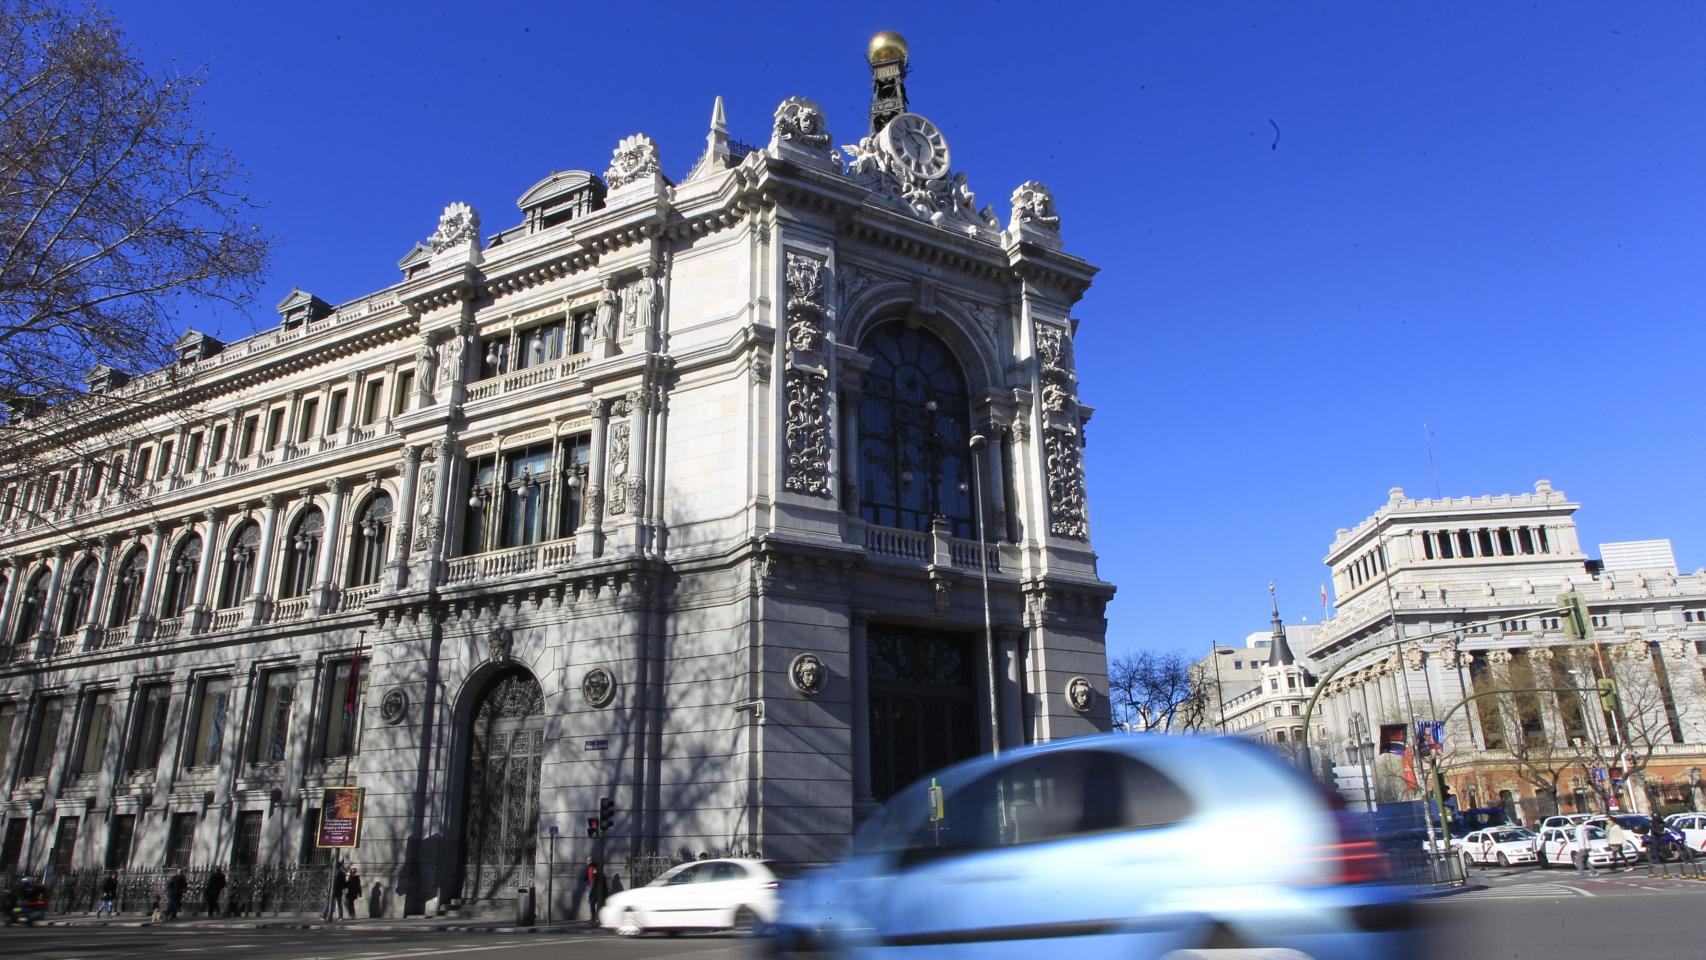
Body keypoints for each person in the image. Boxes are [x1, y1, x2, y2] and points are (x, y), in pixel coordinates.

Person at [584, 857, 603, 923]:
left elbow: (594, 878)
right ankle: (593, 918)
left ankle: (594, 918)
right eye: (587, 860)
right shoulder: (589, 867)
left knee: (592, 902)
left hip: (593, 887)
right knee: (591, 903)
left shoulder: (593, 868)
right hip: (590, 886)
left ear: (591, 861)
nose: (587, 862)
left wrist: (593, 887)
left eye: (588, 860)